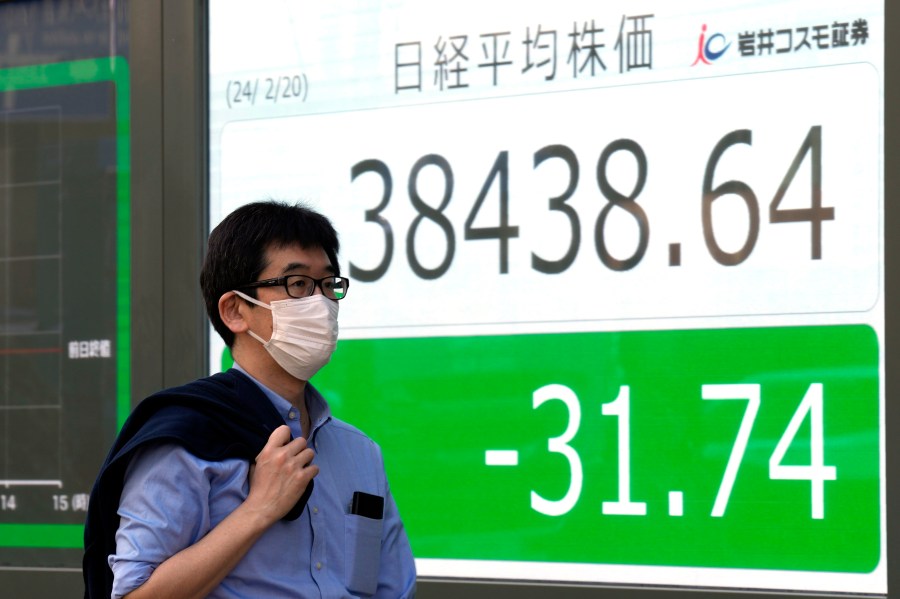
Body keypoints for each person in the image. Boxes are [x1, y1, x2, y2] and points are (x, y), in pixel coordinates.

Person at [83, 200, 416, 598]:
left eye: (329, 285)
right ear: (235, 311)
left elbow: (392, 588)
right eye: (297, 285)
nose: (321, 304)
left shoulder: (360, 453)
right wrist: (258, 510)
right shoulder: (188, 438)